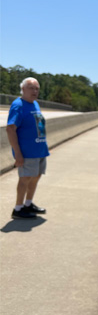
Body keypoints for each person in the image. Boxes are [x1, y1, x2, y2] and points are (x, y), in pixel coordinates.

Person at [6, 77, 50, 219]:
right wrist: (17, 153)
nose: (35, 91)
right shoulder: (18, 105)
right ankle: (18, 209)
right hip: (27, 152)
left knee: (36, 177)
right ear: (23, 89)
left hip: (39, 149)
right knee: (25, 179)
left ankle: (28, 204)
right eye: (31, 88)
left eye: (37, 88)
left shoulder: (35, 104)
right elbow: (10, 129)